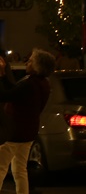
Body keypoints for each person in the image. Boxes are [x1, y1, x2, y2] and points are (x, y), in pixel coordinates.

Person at [0, 48, 55, 194]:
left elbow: (5, 96)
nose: (27, 62)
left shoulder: (29, 84)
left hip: (15, 132)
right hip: (28, 132)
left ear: (37, 65)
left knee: (1, 167)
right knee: (20, 169)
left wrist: (0, 76)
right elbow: (14, 92)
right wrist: (4, 75)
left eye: (30, 61)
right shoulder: (42, 83)